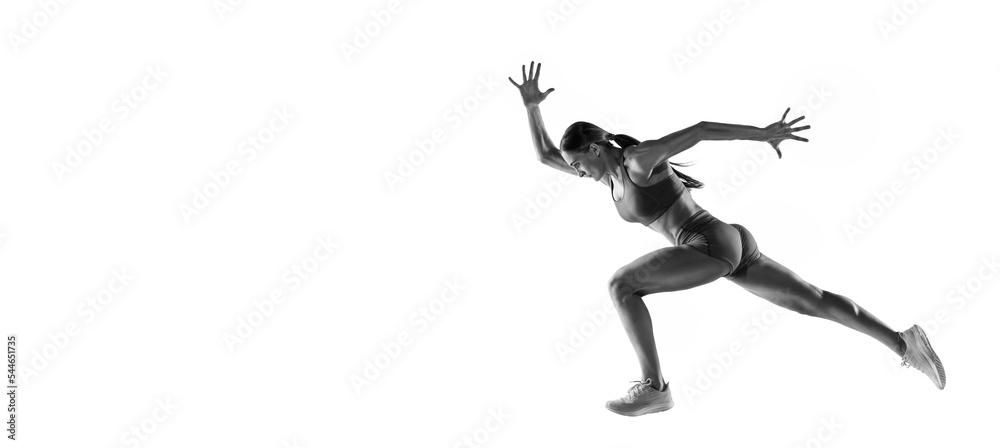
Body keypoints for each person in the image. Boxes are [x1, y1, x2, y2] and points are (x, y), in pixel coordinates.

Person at [509, 61, 946, 417]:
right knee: (811, 299)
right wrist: (532, 107)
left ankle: (655, 388)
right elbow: (547, 156)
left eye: (579, 164)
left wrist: (763, 134)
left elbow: (700, 130)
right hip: (730, 242)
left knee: (621, 285)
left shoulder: (637, 161)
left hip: (709, 244)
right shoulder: (608, 178)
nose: (578, 173)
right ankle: (903, 342)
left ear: (595, 149)